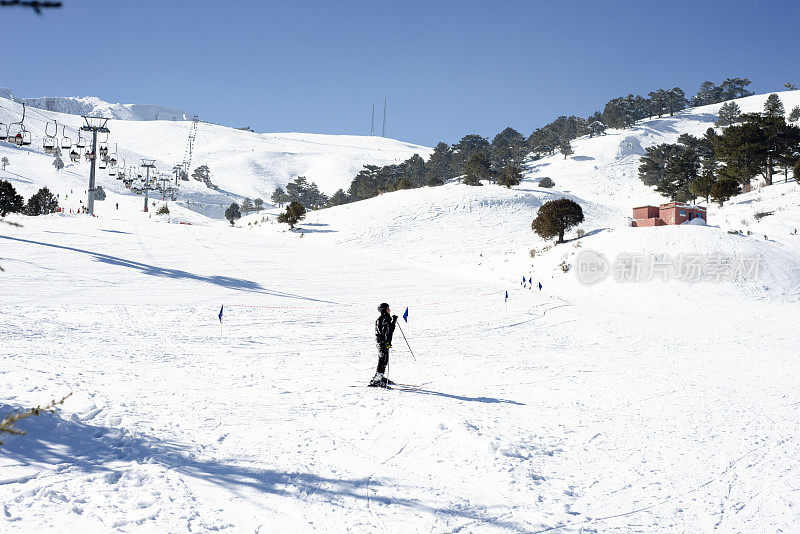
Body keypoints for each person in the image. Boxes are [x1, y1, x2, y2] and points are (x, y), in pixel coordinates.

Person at [369, 303, 398, 387]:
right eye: (388, 309)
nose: (389, 310)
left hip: (385, 342)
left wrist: (394, 321)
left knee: (385, 360)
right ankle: (376, 380)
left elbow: (390, 331)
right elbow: (380, 333)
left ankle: (381, 377)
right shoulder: (381, 319)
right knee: (382, 360)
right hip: (381, 343)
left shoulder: (387, 319)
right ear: (384, 310)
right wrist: (385, 342)